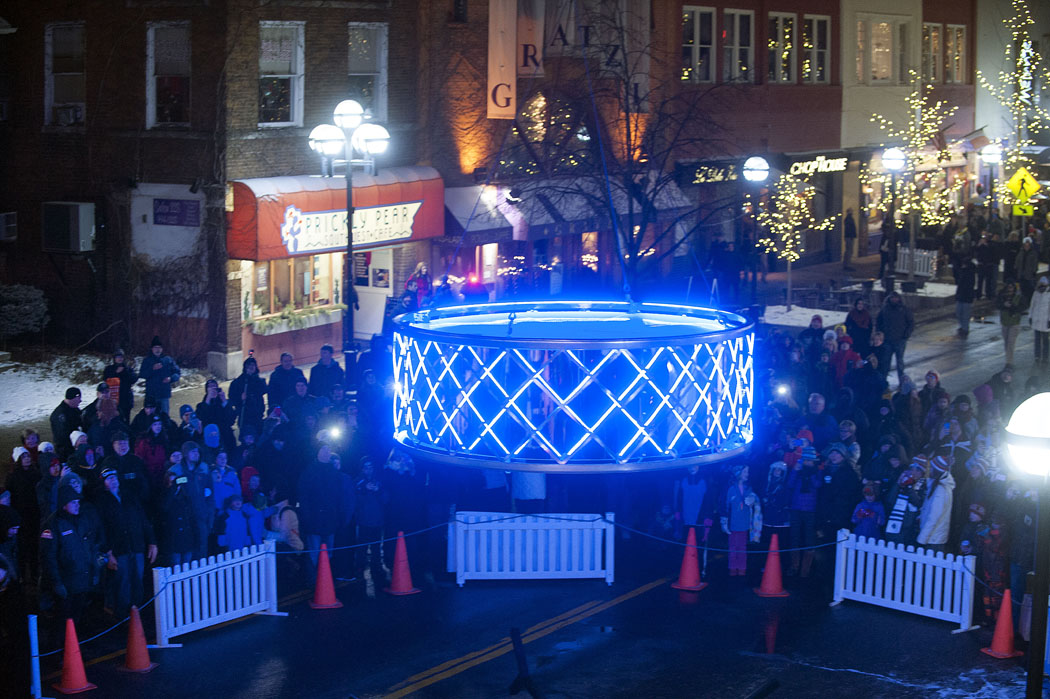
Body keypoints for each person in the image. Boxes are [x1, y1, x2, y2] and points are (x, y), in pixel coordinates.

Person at [96, 468, 157, 616]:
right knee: (122, 584)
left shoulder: (129, 497)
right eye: (109, 479)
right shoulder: (101, 502)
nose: (113, 481)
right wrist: (108, 552)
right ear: (104, 483)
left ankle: (137, 616)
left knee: (138, 581)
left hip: (136, 546)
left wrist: (152, 542)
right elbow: (101, 529)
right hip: (118, 549)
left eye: (115, 478)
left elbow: (143, 520)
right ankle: (122, 618)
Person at [40, 485, 102, 624]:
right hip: (66, 585)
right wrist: (57, 583)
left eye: (78, 502)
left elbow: (90, 548)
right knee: (62, 622)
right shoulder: (53, 525)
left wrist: (94, 571)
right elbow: (48, 557)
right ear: (64, 505)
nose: (77, 505)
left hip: (82, 582)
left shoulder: (82, 521)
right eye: (73, 502)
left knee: (77, 620)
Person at [722, 464, 761, 577]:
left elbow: (756, 498)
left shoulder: (748, 488)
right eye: (745, 472)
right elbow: (725, 505)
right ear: (738, 474)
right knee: (733, 547)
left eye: (747, 472)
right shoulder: (730, 489)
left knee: (742, 547)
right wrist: (724, 521)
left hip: (744, 523)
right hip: (733, 523)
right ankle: (733, 568)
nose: (747, 474)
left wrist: (754, 499)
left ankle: (742, 568)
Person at [917, 456, 954, 553]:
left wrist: (922, 539)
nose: (930, 470)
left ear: (937, 470)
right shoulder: (935, 485)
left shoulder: (941, 490)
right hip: (932, 537)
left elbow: (934, 517)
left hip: (933, 539)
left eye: (932, 468)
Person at [876, 292, 914, 382]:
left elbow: (911, 323)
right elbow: (879, 322)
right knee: (886, 362)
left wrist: (906, 335)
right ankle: (883, 382)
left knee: (900, 363)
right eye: (892, 298)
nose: (894, 300)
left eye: (896, 298)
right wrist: (880, 334)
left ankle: (901, 382)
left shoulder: (904, 309)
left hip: (900, 340)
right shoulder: (885, 309)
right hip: (887, 341)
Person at [138, 336, 181, 416]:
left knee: (164, 416)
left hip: (164, 394)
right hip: (151, 394)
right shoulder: (147, 360)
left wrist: (170, 378)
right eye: (155, 347)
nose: (157, 350)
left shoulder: (167, 360)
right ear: (152, 349)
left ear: (162, 349)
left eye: (159, 347)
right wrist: (152, 369)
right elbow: (142, 374)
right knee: (151, 416)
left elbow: (177, 372)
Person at [229, 357, 267, 433]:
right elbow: (232, 398)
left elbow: (263, 390)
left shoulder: (260, 381)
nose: (251, 368)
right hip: (244, 414)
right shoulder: (237, 383)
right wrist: (240, 398)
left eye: (253, 365)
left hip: (257, 413)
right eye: (249, 366)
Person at [102, 349, 138, 423]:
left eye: (121, 357)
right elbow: (105, 379)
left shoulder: (128, 369)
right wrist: (116, 373)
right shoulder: (109, 369)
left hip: (126, 399)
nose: (120, 359)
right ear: (114, 358)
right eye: (118, 357)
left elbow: (134, 379)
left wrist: (126, 371)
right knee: (113, 420)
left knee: (125, 420)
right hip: (113, 398)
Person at [50, 387, 83, 460]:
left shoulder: (75, 409)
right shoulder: (59, 414)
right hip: (65, 452)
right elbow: (62, 437)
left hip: (75, 447)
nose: (81, 401)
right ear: (74, 398)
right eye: (79, 398)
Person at [997, 281, 1024, 367]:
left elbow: (1023, 306)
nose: (1010, 289)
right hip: (1005, 322)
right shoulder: (1002, 296)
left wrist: (1013, 308)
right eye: (1009, 287)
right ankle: (1008, 359)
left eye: (1011, 287)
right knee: (1006, 343)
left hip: (1014, 323)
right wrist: (1004, 305)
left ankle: (1009, 362)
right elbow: (997, 305)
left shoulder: (1018, 296)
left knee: (1010, 343)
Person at [955, 255, 977, 337]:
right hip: (964, 296)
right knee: (961, 313)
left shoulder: (967, 273)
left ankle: (964, 328)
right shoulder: (965, 273)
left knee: (963, 314)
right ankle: (963, 327)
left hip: (966, 296)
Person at [1029, 276, 1050, 363]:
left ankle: (1045, 357)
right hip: (1036, 321)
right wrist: (1030, 316)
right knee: (1037, 340)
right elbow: (1032, 305)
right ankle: (1037, 356)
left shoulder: (1049, 294)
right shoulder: (1036, 293)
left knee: (1045, 341)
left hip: (1045, 322)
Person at [1016, 236, 1039, 301]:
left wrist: (1034, 271)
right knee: (1022, 288)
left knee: (1030, 288)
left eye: (1028, 244)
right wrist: (1016, 268)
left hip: (1029, 274)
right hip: (1021, 273)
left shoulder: (1033, 253)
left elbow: (1035, 263)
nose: (1026, 246)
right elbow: (1017, 261)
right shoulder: (1021, 252)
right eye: (1025, 244)